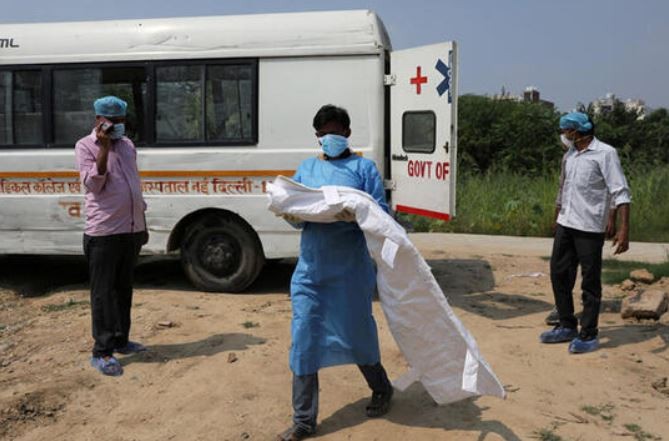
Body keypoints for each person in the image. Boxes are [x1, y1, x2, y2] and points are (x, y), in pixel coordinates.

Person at [276, 105, 394, 441]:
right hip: (311, 270)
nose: (331, 137)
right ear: (316, 136)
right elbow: (294, 205)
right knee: (304, 338)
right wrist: (289, 213)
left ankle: (382, 388)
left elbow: (380, 213)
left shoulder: (363, 168)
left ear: (347, 133)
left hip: (350, 270)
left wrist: (353, 216)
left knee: (358, 334)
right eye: (324, 131)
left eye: (337, 130)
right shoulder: (307, 168)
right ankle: (303, 421)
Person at [540, 112, 631, 353]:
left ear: (577, 132)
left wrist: (623, 230)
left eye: (566, 131)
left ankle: (589, 333)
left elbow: (620, 192)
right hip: (566, 223)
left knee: (590, 282)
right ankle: (567, 324)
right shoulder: (569, 155)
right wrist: (556, 218)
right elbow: (563, 189)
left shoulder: (605, 154)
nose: (563, 135)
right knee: (559, 273)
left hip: (589, 228)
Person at [75, 96, 148, 376]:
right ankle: (102, 351)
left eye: (121, 121)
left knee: (123, 289)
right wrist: (103, 148)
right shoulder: (85, 146)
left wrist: (142, 222)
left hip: (130, 229)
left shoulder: (128, 145)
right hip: (104, 232)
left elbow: (133, 185)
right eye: (111, 121)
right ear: (98, 120)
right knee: (103, 294)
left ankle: (121, 340)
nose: (117, 126)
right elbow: (94, 184)